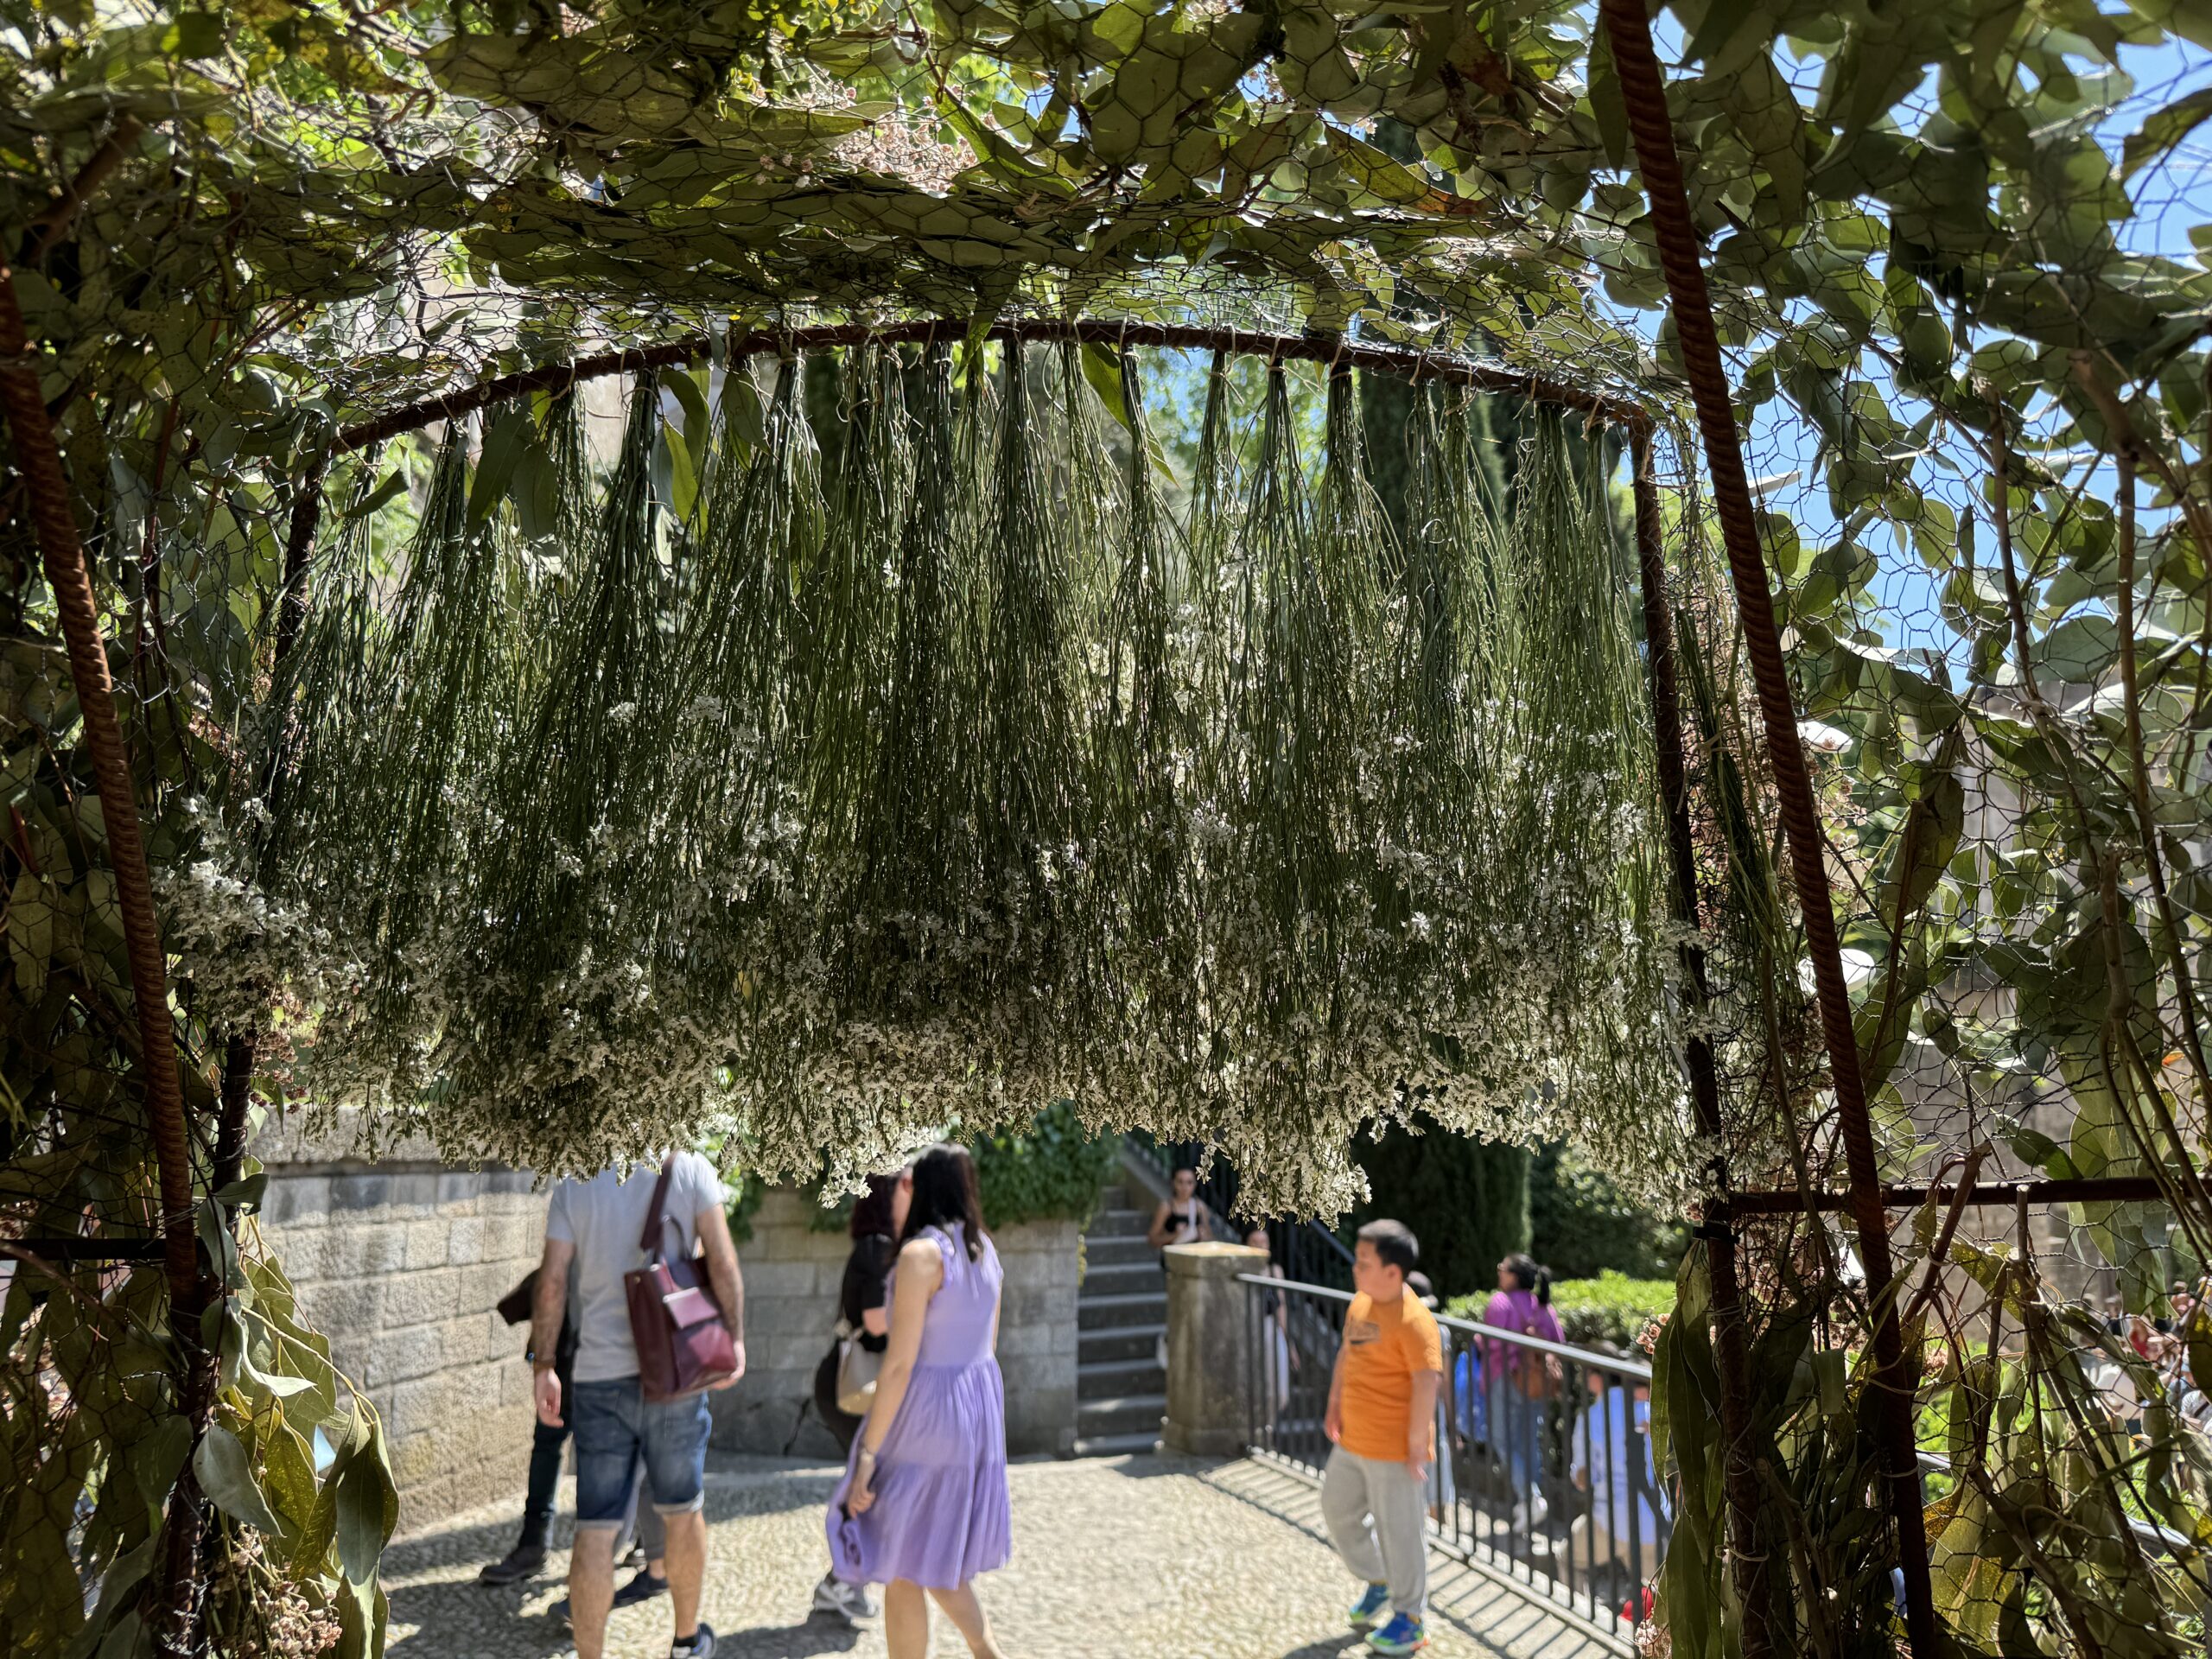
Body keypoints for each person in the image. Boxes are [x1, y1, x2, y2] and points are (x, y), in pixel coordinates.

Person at [530, 1151, 746, 1659]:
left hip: (598, 1377)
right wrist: (734, 1339)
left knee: (596, 1525)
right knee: (682, 1509)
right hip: (676, 1374)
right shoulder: (689, 1168)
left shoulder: (576, 1176)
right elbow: (721, 1260)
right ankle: (686, 1642)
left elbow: (552, 1281)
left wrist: (544, 1366)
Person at [827, 1144, 1012, 1659]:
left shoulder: (920, 1256)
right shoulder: (985, 1251)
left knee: (912, 1548)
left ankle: (989, 1652)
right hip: (975, 1414)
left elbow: (900, 1365)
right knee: (910, 1559)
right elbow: (989, 1348)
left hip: (926, 1418)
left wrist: (868, 1454)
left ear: (917, 1187)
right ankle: (985, 1651)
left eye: (903, 1183)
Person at [483, 1255, 670, 1617]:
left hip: (612, 1365)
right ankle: (534, 1545)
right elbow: (552, 1280)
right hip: (568, 1352)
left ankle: (632, 1559)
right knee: (549, 1446)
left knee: (616, 1466)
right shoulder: (575, 1230)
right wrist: (543, 1362)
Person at [1321, 1218, 1442, 1658]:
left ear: (1393, 1272)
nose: (1355, 1268)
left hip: (1394, 1450)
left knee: (1401, 1533)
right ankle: (1379, 1579)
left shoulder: (1415, 1321)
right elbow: (1346, 1354)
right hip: (1353, 1440)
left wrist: (1415, 1448)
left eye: (1364, 1262)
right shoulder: (1361, 1302)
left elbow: (1427, 1383)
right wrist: (1334, 1403)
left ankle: (1410, 1618)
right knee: (1337, 1511)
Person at [808, 1172, 902, 1625]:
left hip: (850, 1384)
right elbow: (878, 1321)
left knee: (866, 1480)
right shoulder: (877, 1247)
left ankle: (842, 1580)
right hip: (850, 1388)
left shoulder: (874, 1246)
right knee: (865, 1481)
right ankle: (842, 1580)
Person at [1567, 1344, 1666, 1592]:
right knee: (1660, 1593)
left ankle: (1577, 1608)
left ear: (1597, 1377)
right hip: (1655, 1517)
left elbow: (1584, 1478)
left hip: (1611, 1518)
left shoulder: (1591, 1416)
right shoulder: (1649, 1409)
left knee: (1567, 1559)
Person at [1483, 1251, 1562, 1534]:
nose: (1499, 1271)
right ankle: (1528, 1502)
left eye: (1502, 1268)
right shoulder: (1543, 1306)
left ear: (1514, 1276)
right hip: (1537, 1384)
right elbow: (1559, 1342)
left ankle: (1530, 1498)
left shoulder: (1500, 1302)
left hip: (1505, 1378)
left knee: (1502, 1439)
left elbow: (1490, 1343)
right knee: (1529, 1443)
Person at [1245, 1224, 1294, 1432]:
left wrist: (1289, 1343)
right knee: (1253, 1386)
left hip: (1270, 1327)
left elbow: (1281, 1306)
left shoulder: (1275, 1271)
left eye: (1263, 1242)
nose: (1259, 1247)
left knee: (1279, 1389)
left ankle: (1268, 1429)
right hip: (1248, 1331)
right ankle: (1255, 1431)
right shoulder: (1241, 1270)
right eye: (1254, 1242)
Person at [1147, 1166, 1211, 1255]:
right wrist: (1175, 1235)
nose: (1184, 1188)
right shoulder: (1167, 1207)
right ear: (1173, 1183)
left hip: (1194, 1258)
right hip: (1173, 1258)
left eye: (1189, 1182)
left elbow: (1210, 1238)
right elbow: (1152, 1239)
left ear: (1195, 1184)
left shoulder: (1200, 1207)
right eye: (1180, 1182)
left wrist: (1203, 1236)